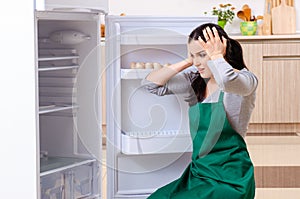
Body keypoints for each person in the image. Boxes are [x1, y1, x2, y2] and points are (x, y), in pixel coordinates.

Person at [142, 23, 257, 199]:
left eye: (203, 55)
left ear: (220, 49)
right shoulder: (195, 82)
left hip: (231, 179)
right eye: (193, 56)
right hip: (199, 173)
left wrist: (217, 55)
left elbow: (226, 80)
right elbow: (150, 84)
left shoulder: (245, 80)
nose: (197, 63)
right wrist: (191, 60)